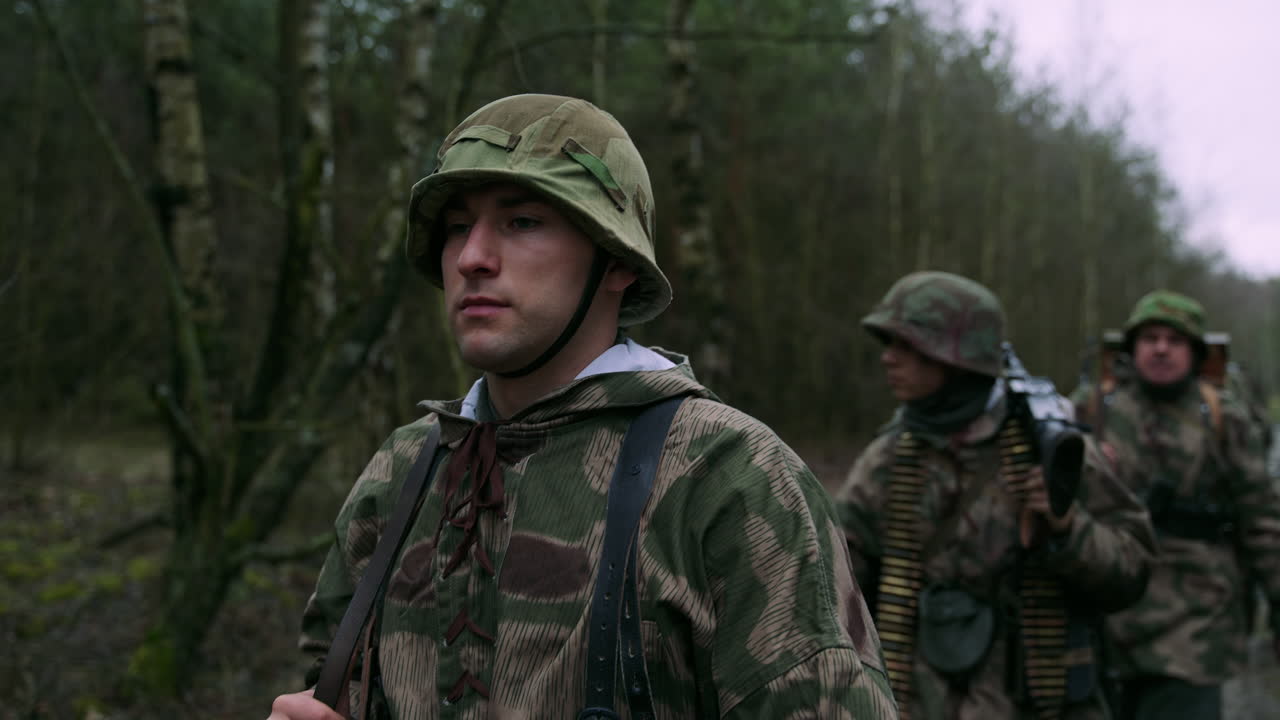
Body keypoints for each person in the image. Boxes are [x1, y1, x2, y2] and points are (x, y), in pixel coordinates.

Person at [267, 94, 898, 719]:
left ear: (615, 261)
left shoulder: (727, 478)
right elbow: (331, 678)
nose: (471, 257)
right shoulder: (405, 468)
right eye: (458, 226)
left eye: (523, 222)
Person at [834, 271, 1155, 719]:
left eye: (906, 345)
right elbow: (837, 584)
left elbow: (1133, 572)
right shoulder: (889, 457)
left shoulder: (1051, 447)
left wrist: (1066, 527)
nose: (888, 359)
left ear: (957, 358)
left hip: (1039, 704)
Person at [1092, 290, 1280, 720]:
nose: (1161, 348)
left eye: (1174, 341)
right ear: (1132, 348)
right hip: (1108, 614)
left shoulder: (1224, 417)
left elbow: (1262, 516)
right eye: (1150, 338)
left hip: (1195, 621)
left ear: (1194, 353)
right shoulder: (1096, 410)